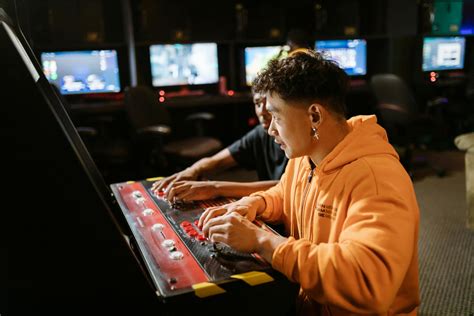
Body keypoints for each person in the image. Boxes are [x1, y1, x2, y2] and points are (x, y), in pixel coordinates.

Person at [199, 50, 420, 315]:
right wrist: (253, 203)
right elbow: (286, 193)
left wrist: (261, 240)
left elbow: (366, 282)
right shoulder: (306, 157)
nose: (270, 129)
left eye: (277, 117)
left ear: (314, 116)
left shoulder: (377, 179)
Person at [151, 90, 288, 202]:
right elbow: (218, 160)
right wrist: (192, 170)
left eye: (269, 104)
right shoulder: (260, 133)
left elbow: (287, 188)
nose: (263, 111)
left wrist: (215, 188)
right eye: (258, 103)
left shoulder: (298, 141)